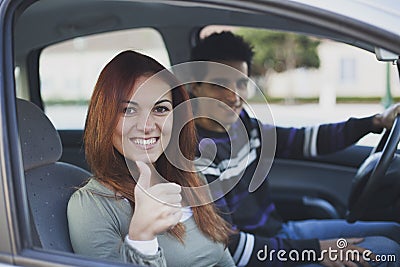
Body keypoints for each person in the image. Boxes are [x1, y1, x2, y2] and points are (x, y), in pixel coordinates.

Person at [189, 31, 400, 267]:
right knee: (386, 251)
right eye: (221, 85)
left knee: (393, 231)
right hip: (260, 257)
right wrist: (317, 251)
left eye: (242, 83)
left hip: (279, 235)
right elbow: (230, 246)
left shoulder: (243, 125)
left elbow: (303, 140)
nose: (235, 97)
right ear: (195, 87)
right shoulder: (194, 154)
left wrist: (376, 122)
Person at [67, 50, 235, 267]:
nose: (146, 126)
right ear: (104, 117)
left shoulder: (193, 177)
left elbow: (223, 258)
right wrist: (142, 237)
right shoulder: (91, 206)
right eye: (128, 110)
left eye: (160, 109)